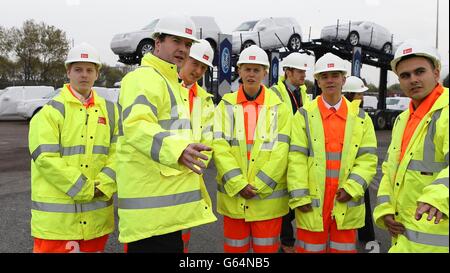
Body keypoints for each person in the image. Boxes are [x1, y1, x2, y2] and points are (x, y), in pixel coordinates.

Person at [116, 15, 217, 253]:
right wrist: (179, 150)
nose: (183, 49)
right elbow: (137, 124)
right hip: (150, 216)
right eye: (176, 41)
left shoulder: (170, 83)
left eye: (188, 44)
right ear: (157, 42)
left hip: (165, 213)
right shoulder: (143, 78)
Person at [29, 42, 118, 253]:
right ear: (68, 71)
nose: (84, 75)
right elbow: (45, 158)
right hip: (57, 225)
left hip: (96, 221)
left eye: (89, 70)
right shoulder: (50, 112)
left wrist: (104, 184)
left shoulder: (112, 111)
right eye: (78, 69)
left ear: (97, 74)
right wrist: (86, 188)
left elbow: (119, 154)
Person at [288, 53, 378, 253]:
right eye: (325, 76)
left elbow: (367, 159)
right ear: (318, 81)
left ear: (344, 79)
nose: (330, 80)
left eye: (335, 75)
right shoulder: (304, 115)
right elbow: (296, 158)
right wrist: (300, 196)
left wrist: (352, 188)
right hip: (312, 202)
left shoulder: (362, 118)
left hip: (345, 201)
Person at [213, 45, 291, 253]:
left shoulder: (279, 107)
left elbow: (281, 151)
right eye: (247, 69)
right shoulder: (226, 105)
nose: (251, 74)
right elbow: (219, 148)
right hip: (235, 199)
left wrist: (259, 186)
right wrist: (239, 184)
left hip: (266, 203)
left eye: (256, 70)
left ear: (265, 72)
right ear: (239, 71)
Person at [373, 40, 448, 253]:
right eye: (405, 76)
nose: (413, 80)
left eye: (419, 72)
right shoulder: (403, 119)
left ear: (436, 73)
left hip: (437, 238)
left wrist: (436, 198)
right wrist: (386, 209)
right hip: (403, 235)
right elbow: (390, 170)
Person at [270, 52, 311, 253]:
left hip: (299, 150)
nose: (303, 74)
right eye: (299, 71)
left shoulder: (303, 92)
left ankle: (285, 238)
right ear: (287, 71)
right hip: (282, 151)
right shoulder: (275, 93)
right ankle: (286, 241)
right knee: (283, 199)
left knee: (297, 195)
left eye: (304, 71)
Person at [178, 39, 216, 253]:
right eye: (195, 63)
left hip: (189, 176)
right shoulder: (165, 89)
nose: (198, 70)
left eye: (203, 67)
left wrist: (197, 162)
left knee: (183, 236)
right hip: (161, 175)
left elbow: (208, 139)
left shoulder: (205, 100)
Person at [342, 76, 376, 243]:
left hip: (356, 170)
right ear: (349, 94)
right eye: (358, 95)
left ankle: (366, 236)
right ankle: (366, 237)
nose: (362, 98)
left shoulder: (360, 115)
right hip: (350, 170)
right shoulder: (356, 114)